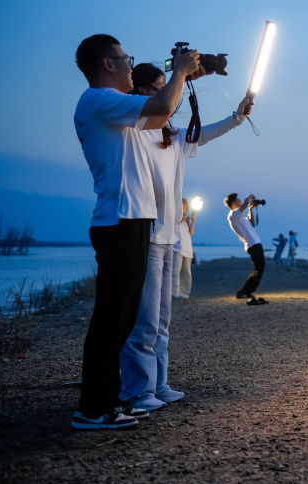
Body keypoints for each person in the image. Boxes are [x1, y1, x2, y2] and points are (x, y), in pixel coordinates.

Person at [71, 34, 202, 430]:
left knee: (124, 319)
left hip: (135, 220)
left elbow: (160, 118)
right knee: (112, 318)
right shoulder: (98, 99)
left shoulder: (115, 106)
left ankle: (111, 399)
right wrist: (179, 72)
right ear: (107, 63)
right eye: (125, 58)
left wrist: (185, 77)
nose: (131, 64)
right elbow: (160, 106)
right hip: (119, 220)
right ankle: (93, 408)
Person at [120, 63, 254, 412]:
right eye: (161, 87)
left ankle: (158, 384)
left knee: (162, 319)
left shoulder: (173, 136)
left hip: (168, 239)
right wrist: (180, 74)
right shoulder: (134, 130)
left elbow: (204, 134)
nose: (171, 96)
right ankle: (137, 390)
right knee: (145, 320)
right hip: (147, 237)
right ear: (143, 92)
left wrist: (237, 117)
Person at [225, 193, 268, 305]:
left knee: (260, 267)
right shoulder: (232, 215)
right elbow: (244, 203)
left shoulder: (240, 216)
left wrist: (250, 210)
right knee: (259, 267)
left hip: (256, 243)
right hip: (252, 244)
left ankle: (246, 291)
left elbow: (252, 223)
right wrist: (250, 197)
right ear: (234, 202)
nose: (240, 201)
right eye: (238, 200)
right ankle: (244, 291)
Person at [172, 199, 196, 299]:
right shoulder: (174, 216)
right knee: (175, 271)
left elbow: (191, 232)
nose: (184, 208)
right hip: (176, 247)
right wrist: (181, 219)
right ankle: (174, 292)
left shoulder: (187, 219)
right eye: (182, 206)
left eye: (185, 206)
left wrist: (193, 220)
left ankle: (185, 292)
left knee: (187, 272)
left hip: (187, 249)